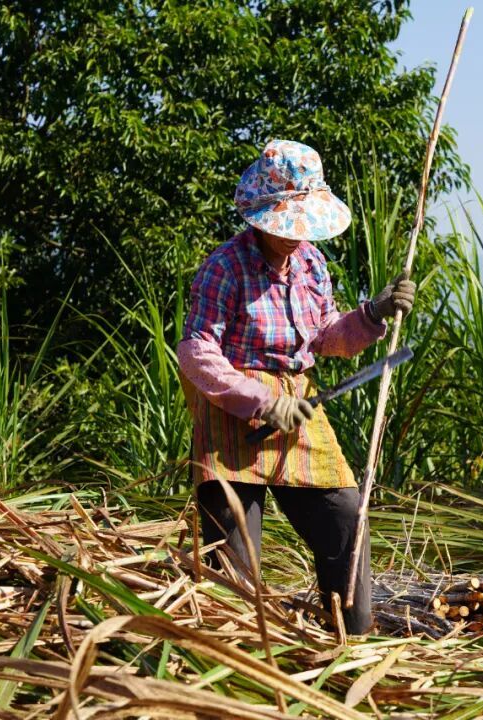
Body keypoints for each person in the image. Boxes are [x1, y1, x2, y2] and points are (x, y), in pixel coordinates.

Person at [177, 139, 415, 634]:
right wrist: (262, 401)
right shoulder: (226, 267)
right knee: (235, 557)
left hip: (300, 404)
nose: (293, 236)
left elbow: (325, 337)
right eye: (284, 224)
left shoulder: (311, 265)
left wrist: (372, 314)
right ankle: (239, 652)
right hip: (234, 414)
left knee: (346, 517)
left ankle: (350, 638)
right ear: (260, 216)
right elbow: (197, 352)